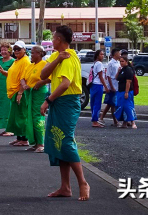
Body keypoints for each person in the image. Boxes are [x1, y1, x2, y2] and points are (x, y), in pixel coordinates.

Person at [40, 25, 89, 201]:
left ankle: (82, 182)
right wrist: (56, 60)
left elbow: (65, 84)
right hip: (58, 102)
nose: (52, 41)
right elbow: (43, 74)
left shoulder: (69, 58)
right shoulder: (57, 56)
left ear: (59, 40)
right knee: (58, 140)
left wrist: (48, 100)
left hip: (67, 103)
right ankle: (65, 187)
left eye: (53, 38)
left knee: (66, 141)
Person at [1, 40, 32, 146]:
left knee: (22, 116)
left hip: (20, 93)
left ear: (24, 50)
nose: (16, 51)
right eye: (15, 49)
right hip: (13, 93)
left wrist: (20, 93)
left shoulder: (25, 61)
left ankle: (24, 139)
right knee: (16, 117)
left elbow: (24, 79)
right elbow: (13, 75)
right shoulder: (17, 61)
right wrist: (4, 72)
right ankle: (19, 138)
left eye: (19, 49)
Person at [23, 45, 49, 153]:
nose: (31, 55)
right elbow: (23, 78)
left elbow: (49, 78)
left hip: (39, 93)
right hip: (30, 94)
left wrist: (40, 82)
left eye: (33, 53)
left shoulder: (44, 64)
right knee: (30, 117)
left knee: (38, 117)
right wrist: (24, 84)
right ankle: (34, 143)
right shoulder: (30, 65)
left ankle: (41, 143)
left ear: (39, 54)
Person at [114, 53, 137, 128]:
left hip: (127, 91)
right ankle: (124, 123)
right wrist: (118, 71)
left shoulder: (128, 70)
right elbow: (117, 78)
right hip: (120, 91)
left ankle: (133, 122)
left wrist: (126, 92)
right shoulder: (122, 70)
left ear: (126, 62)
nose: (121, 63)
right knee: (122, 107)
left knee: (128, 106)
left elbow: (128, 81)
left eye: (122, 61)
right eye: (120, 61)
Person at [99, 48, 120, 127]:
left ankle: (102, 118)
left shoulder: (118, 62)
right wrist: (111, 86)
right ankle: (115, 121)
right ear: (115, 54)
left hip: (117, 86)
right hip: (112, 86)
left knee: (110, 104)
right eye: (118, 53)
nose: (120, 54)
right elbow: (108, 76)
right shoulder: (111, 63)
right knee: (112, 104)